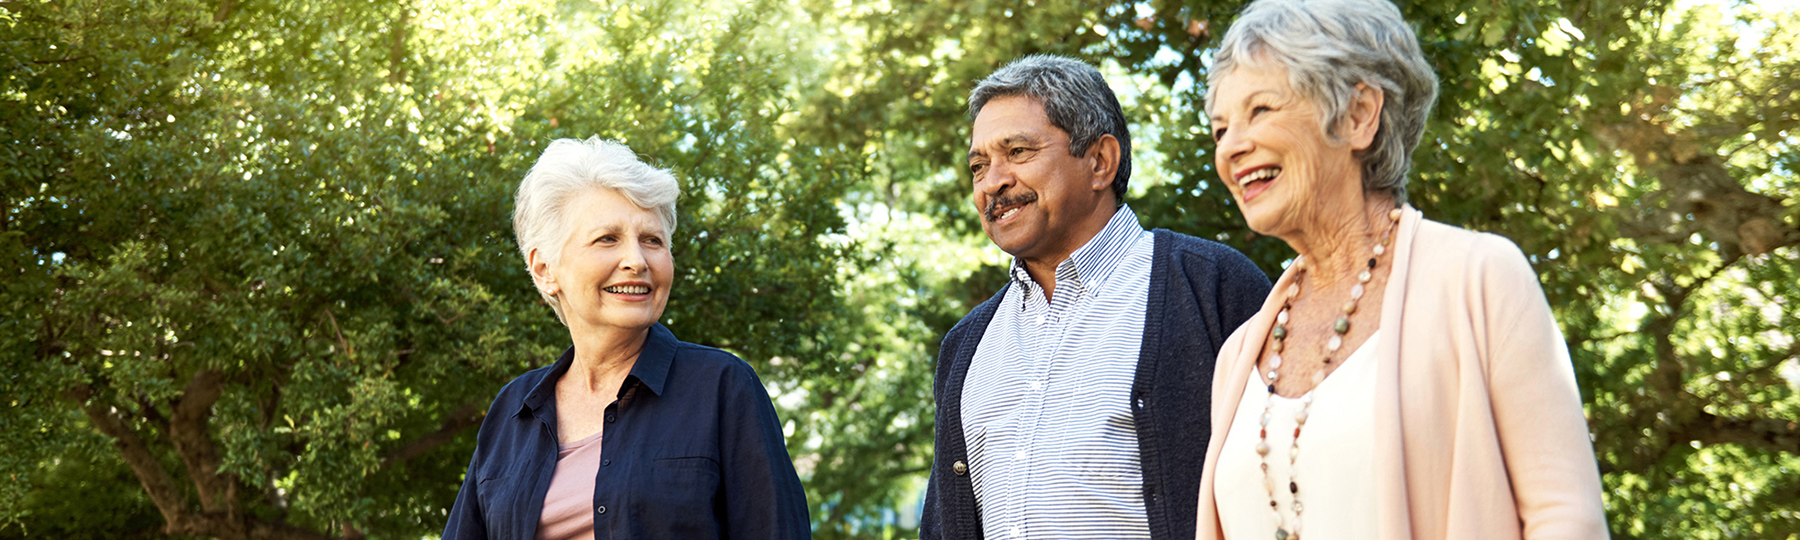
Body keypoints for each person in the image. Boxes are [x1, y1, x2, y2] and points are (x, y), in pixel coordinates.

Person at [1192, 0, 1610, 538]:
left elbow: (1564, 519)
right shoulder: (1238, 355)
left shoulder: (1480, 279)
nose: (1232, 147)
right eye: (1220, 129)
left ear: (1358, 114)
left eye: (1261, 110)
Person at [921, 55, 1272, 540]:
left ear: (1100, 161)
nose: (992, 183)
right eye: (978, 166)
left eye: (1018, 152)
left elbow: (1288, 486)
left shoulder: (1210, 288)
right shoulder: (966, 346)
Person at [442, 138, 810, 540]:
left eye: (652, 240)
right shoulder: (513, 411)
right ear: (545, 269)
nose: (637, 260)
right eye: (607, 239)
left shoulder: (722, 387)